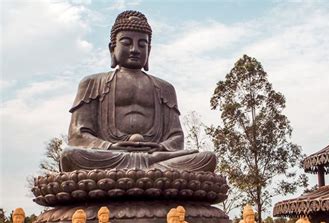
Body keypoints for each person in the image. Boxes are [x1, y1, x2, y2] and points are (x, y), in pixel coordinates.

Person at [60, 10, 216, 172]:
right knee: (71, 155)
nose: (135, 49)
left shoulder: (165, 88)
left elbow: (176, 137)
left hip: (156, 157)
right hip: (111, 156)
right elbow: (77, 135)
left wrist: (161, 148)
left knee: (206, 159)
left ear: (149, 50)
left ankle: (144, 169)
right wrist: (110, 146)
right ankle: (147, 173)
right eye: (127, 43)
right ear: (112, 49)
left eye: (142, 44)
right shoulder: (92, 83)